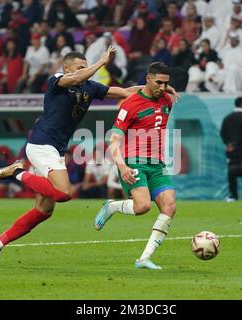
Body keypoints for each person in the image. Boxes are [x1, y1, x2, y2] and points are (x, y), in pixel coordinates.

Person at [0, 47, 178, 268]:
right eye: (80, 67)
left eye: (86, 67)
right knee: (65, 193)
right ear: (66, 68)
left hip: (56, 149)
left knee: (43, 211)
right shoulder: (56, 80)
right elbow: (76, 78)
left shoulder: (89, 87)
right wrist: (101, 62)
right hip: (41, 144)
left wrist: (162, 87)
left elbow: (125, 92)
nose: (85, 72)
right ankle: (16, 172)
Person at [94, 62, 176, 270]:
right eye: (159, 82)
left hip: (157, 164)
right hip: (133, 162)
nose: (163, 87)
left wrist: (168, 89)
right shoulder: (129, 105)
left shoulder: (167, 99)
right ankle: (111, 206)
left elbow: (160, 91)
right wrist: (122, 167)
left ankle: (144, 259)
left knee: (169, 207)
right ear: (148, 78)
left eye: (166, 83)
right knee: (143, 207)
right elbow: (113, 141)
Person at [221, 97, 242, 200]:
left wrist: (229, 144)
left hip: (231, 152)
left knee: (231, 173)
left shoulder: (227, 118)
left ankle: (233, 196)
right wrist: (236, 144)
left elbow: (223, 133)